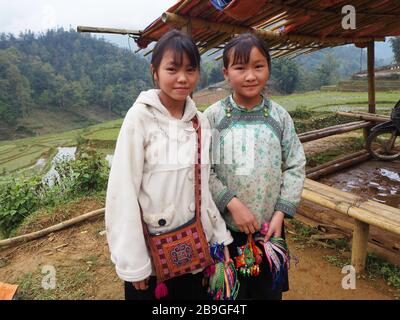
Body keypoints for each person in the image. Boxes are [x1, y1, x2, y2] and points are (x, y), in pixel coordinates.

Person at [105, 29, 233, 300]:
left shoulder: (200, 122)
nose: (182, 78)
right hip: (152, 255)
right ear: (155, 71)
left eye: (191, 69)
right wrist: (133, 263)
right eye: (172, 69)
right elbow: (122, 190)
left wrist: (219, 237)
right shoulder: (140, 118)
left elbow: (203, 188)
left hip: (196, 250)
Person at [203, 33, 306, 300]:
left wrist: (280, 215)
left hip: (270, 231)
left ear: (268, 69)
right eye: (240, 68)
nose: (250, 76)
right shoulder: (213, 117)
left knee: (267, 295)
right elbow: (203, 169)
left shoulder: (279, 116)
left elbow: (296, 164)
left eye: (258, 66)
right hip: (225, 232)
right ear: (226, 73)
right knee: (230, 297)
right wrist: (232, 204)